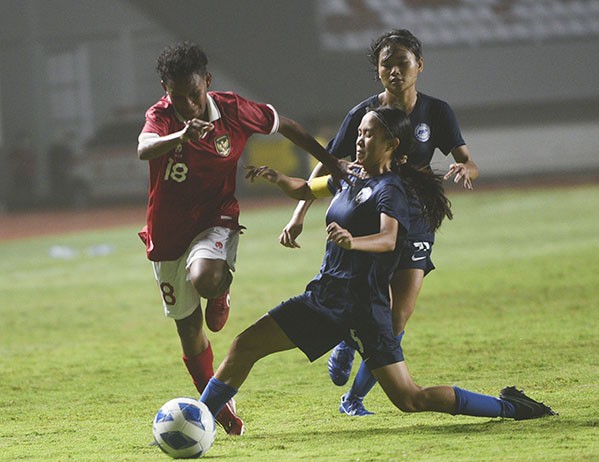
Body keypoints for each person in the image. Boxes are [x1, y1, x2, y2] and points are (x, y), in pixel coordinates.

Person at [199, 106, 555, 426]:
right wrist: (277, 179)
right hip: (324, 299)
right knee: (244, 346)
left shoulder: (392, 190)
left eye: (369, 134)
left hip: (364, 308)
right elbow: (307, 189)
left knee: (410, 399)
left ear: (392, 144)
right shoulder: (348, 175)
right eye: (359, 133)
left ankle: (510, 407)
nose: (359, 139)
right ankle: (199, 420)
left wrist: (353, 242)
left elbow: (388, 238)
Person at [137, 41, 347, 435]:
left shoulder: (233, 110)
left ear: (208, 82)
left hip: (216, 217)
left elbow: (286, 126)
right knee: (188, 328)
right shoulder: (163, 116)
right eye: (177, 96)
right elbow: (144, 147)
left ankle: (219, 289)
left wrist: (332, 162)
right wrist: (179, 135)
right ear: (166, 89)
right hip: (167, 231)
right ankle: (221, 410)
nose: (188, 104)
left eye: (195, 94)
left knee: (204, 278)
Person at [281, 29, 480, 416]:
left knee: (397, 317)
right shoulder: (363, 115)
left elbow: (469, 158)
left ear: (419, 66)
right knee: (361, 302)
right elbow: (328, 162)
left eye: (402, 62)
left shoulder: (437, 112)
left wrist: (465, 166)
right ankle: (345, 339)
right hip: (368, 216)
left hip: (416, 221)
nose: (394, 70)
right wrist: (298, 212)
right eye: (386, 63)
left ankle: (353, 399)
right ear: (377, 70)